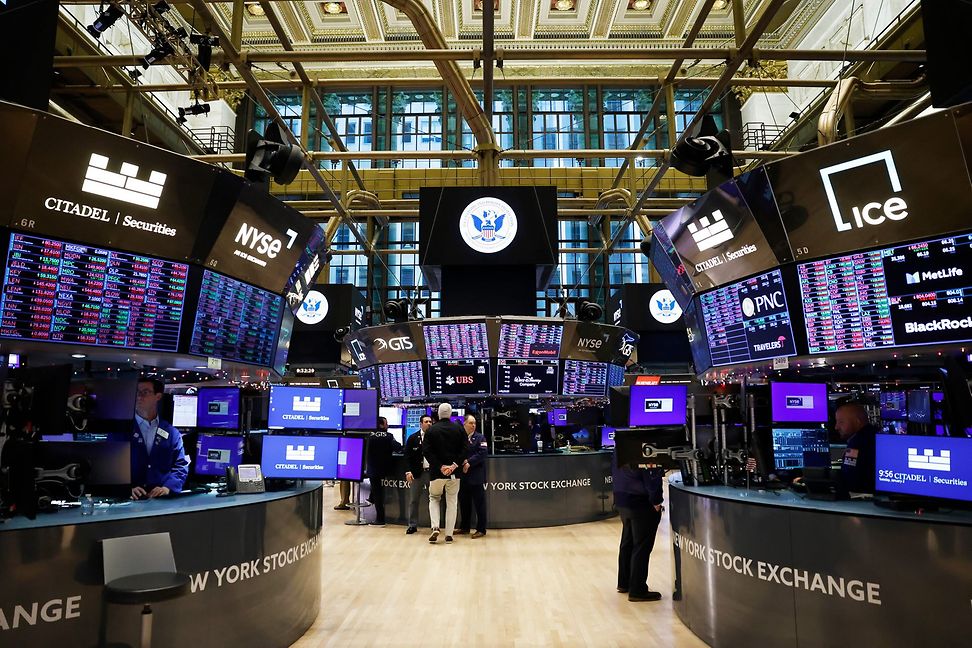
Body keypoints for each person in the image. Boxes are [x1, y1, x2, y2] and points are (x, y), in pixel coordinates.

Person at [612, 455, 664, 602]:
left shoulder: (623, 443)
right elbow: (651, 476)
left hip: (622, 499)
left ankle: (624, 583)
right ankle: (637, 589)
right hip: (641, 502)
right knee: (641, 546)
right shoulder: (645, 446)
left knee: (627, 543)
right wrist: (656, 500)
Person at [131, 378, 188, 499]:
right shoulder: (122, 430)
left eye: (145, 392)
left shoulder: (172, 433)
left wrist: (167, 488)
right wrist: (126, 488)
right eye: (137, 392)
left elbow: (181, 465)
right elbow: (111, 467)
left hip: (161, 501)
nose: (139, 396)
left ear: (158, 396)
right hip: (129, 500)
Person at [422, 403, 468, 544]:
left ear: (438, 414)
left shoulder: (431, 431)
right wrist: (453, 465)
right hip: (455, 474)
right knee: (452, 502)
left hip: (437, 473)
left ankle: (435, 526)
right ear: (450, 414)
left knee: (434, 498)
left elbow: (427, 451)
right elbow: (465, 449)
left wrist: (440, 466)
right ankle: (449, 534)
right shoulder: (459, 429)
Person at [835, 401, 879, 494]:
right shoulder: (876, 435)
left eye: (841, 422)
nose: (836, 427)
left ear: (857, 422)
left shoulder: (857, 444)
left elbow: (849, 478)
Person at [366, 416, 401, 526]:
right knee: (379, 494)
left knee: (377, 493)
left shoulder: (369, 436)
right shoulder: (389, 436)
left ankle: (379, 518)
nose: (388, 425)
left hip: (373, 469)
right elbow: (398, 447)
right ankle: (380, 519)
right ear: (381, 425)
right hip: (386, 469)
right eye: (386, 424)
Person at [457, 414, 488, 538]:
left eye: (474, 423)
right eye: (470, 423)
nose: (473, 425)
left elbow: (483, 453)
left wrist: (469, 462)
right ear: (464, 424)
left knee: (479, 504)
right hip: (463, 477)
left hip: (476, 476)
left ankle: (481, 529)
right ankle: (465, 527)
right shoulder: (460, 438)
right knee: (464, 503)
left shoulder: (480, 437)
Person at [403, 414, 433, 534]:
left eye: (430, 421)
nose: (429, 423)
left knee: (434, 499)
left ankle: (434, 525)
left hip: (431, 472)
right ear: (421, 424)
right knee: (414, 500)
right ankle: (412, 525)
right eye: (426, 421)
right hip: (417, 473)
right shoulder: (413, 438)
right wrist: (408, 471)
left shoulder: (435, 438)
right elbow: (407, 457)